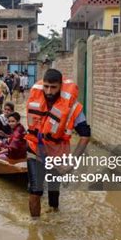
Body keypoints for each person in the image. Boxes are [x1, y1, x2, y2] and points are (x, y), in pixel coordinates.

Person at [25, 68, 91, 217]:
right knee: (35, 191)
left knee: (54, 191)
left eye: (53, 87)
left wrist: (72, 162)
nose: (48, 91)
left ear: (60, 86)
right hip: (35, 150)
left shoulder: (73, 107)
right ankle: (35, 227)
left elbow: (85, 135)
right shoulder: (35, 98)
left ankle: (54, 214)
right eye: (46, 86)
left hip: (57, 154)